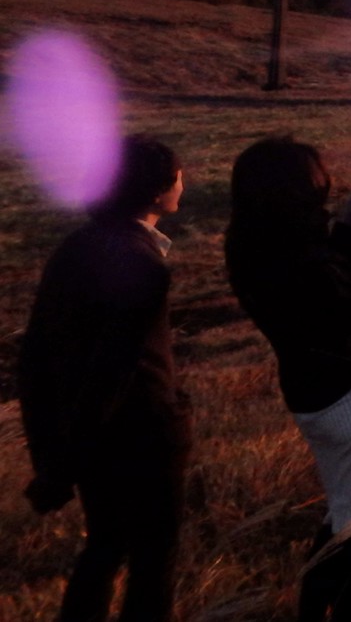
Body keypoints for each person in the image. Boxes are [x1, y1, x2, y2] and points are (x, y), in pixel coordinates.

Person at [224, 138, 351, 622]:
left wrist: (348, 226)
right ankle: (330, 612)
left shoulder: (254, 245)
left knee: (350, 515)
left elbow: (320, 294)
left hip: (312, 392)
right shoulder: (303, 258)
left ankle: (322, 611)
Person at [18, 134, 191, 622]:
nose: (183, 181)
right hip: (143, 438)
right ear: (159, 190)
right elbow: (114, 372)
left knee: (105, 549)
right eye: (178, 174)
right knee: (153, 565)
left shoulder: (77, 247)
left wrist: (54, 456)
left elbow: (36, 357)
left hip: (92, 442)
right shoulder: (142, 265)